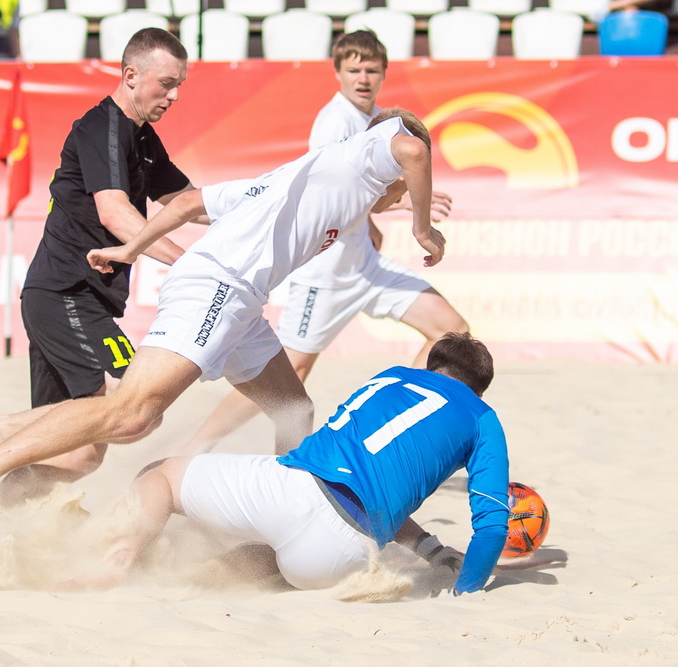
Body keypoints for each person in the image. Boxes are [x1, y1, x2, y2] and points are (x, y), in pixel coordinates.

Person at [0, 108, 444, 502]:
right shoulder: (368, 152)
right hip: (219, 287)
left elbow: (185, 203)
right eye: (406, 188)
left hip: (240, 300)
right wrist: (422, 228)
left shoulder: (308, 180)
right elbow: (412, 147)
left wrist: (130, 249)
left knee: (293, 408)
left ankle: (289, 507)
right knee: (131, 415)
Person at [181, 31, 467, 455]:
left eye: (371, 70)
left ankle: (392, 433)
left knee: (451, 333)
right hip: (325, 275)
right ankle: (194, 447)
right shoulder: (335, 122)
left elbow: (365, 185)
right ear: (338, 73)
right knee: (286, 374)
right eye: (354, 70)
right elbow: (330, 193)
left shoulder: (380, 120)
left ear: (385, 73)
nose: (363, 78)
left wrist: (374, 220)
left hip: (364, 266)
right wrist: (404, 205)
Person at [58, 332, 509, 596]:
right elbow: (491, 527)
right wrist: (461, 585)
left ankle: (119, 561)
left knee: (161, 474)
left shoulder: (391, 376)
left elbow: (354, 476)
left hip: (292, 491)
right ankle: (190, 578)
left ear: (431, 367)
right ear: (479, 389)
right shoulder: (483, 419)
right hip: (338, 558)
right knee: (271, 557)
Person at [0, 29, 198, 490]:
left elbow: (189, 201)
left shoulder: (143, 139)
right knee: (134, 404)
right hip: (65, 294)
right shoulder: (101, 127)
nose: (174, 96)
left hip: (74, 300)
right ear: (131, 75)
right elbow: (116, 214)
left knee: (79, 454)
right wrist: (189, 263)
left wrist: (260, 206)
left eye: (179, 86)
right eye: (167, 84)